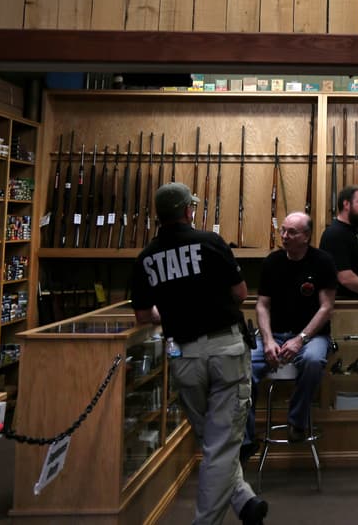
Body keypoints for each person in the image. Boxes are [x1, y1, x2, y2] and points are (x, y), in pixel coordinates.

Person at [130, 182, 268, 525]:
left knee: (212, 440)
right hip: (226, 350)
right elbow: (240, 293)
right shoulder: (210, 242)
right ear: (188, 211)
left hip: (184, 356)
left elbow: (145, 316)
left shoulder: (146, 258)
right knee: (221, 446)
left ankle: (243, 499)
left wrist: (173, 312)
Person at [252, 211, 338, 441]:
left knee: (312, 360)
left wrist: (300, 339)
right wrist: (268, 340)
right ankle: (245, 438)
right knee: (243, 366)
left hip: (311, 337)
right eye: (283, 230)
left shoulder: (323, 261)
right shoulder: (273, 261)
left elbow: (326, 307)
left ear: (306, 236)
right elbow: (262, 305)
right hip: (275, 336)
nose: (284, 236)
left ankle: (297, 422)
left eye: (291, 232)